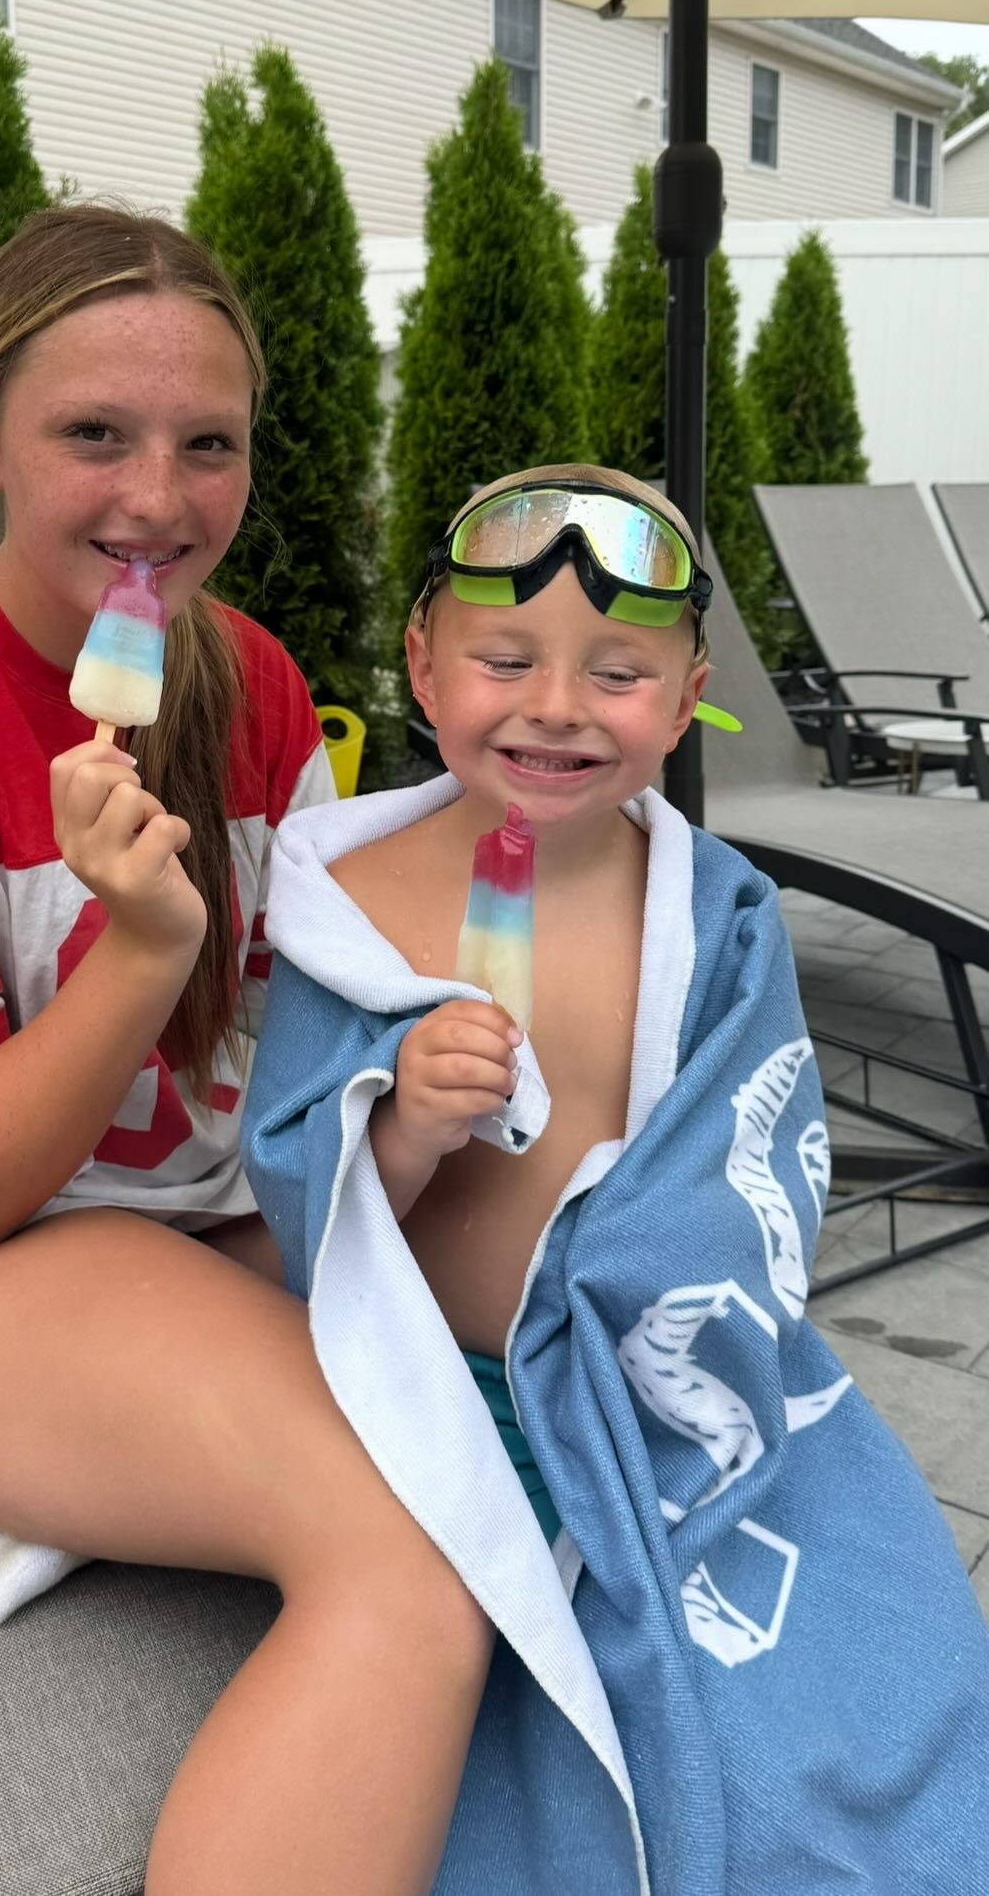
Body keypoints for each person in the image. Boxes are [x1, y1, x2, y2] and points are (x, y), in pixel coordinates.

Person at [0, 204, 492, 1896]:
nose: (158, 500)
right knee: (415, 1559)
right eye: (95, 433)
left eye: (205, 445)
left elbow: (298, 1030)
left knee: (559, 1318)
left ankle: (104, 1466)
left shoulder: (256, 688)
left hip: (184, 1206)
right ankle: (87, 1454)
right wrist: (144, 950)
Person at [242, 464, 989, 1895]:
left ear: (690, 688)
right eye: (504, 659)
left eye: (620, 672)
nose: (555, 708)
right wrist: (396, 1123)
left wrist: (643, 1286)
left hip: (655, 1380)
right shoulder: (349, 909)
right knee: (462, 1681)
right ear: (422, 664)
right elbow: (300, 1204)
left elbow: (756, 1155)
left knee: (862, 1670)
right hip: (438, 1386)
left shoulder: (715, 914)